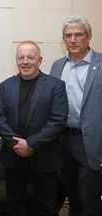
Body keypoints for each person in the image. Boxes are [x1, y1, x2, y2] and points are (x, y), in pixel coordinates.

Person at [0, 41, 68, 216]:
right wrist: (16, 144)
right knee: (14, 205)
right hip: (13, 156)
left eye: (30, 57)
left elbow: (58, 121)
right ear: (16, 60)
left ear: (39, 60)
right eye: (21, 57)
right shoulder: (6, 85)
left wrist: (31, 144)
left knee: (47, 207)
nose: (25, 61)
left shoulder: (55, 86)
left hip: (44, 156)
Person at [50, 15, 102, 216]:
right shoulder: (57, 66)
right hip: (63, 140)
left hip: (90, 142)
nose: (73, 40)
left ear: (88, 37)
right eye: (68, 35)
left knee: (90, 200)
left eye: (78, 35)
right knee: (72, 197)